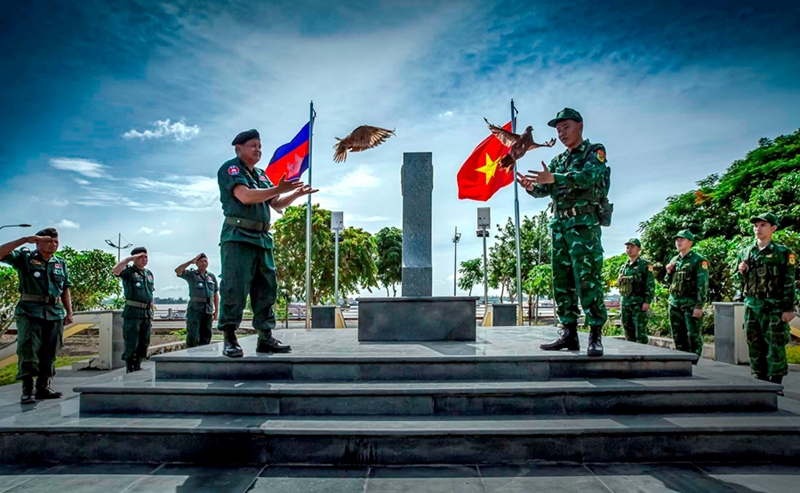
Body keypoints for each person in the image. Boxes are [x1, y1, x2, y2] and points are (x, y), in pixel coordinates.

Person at [516, 108, 612, 357]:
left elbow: (588, 177)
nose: (561, 133)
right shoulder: (558, 160)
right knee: (562, 281)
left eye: (566, 127)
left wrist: (554, 178)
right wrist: (531, 187)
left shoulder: (594, 152)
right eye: (558, 130)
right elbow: (545, 189)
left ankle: (595, 334)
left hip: (583, 226)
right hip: (559, 226)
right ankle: (568, 333)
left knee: (588, 279)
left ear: (580, 126)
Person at [216, 128, 317, 357]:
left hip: (262, 238)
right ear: (238, 148)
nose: (258, 150)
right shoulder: (231, 168)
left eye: (260, 146)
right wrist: (278, 188)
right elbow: (245, 196)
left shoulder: (261, 175)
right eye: (253, 146)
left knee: (266, 289)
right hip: (239, 236)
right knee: (235, 287)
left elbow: (276, 203)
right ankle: (230, 337)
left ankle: (265, 337)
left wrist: (294, 194)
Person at [0, 228, 73, 404]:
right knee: (29, 350)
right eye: (48, 241)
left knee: (50, 352)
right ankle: (27, 390)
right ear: (37, 242)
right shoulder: (25, 258)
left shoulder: (60, 263)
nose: (53, 244)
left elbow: (65, 288)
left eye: (56, 241)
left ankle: (43, 387)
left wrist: (69, 311)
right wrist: (24, 239)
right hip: (30, 311)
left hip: (54, 312)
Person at [734, 213, 797, 391]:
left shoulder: (783, 253)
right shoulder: (746, 252)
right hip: (752, 305)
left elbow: (789, 282)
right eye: (756, 225)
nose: (758, 229)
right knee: (754, 342)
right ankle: (760, 381)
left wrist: (788, 308)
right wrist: (740, 271)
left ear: (773, 228)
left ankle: (775, 383)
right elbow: (738, 281)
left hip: (773, 306)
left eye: (763, 225)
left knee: (775, 343)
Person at [663, 230, 708, 361]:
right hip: (675, 302)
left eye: (682, 239)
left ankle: (694, 361)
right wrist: (668, 272)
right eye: (677, 240)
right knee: (678, 335)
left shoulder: (698, 260)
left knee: (693, 335)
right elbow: (668, 282)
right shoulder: (674, 260)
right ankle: (681, 361)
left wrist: (699, 306)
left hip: (690, 303)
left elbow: (702, 284)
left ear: (690, 242)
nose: (678, 242)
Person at [112, 247, 154, 373]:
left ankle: (138, 364)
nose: (144, 259)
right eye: (141, 257)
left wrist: (152, 311)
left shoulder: (148, 274)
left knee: (144, 341)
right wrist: (129, 259)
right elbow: (115, 270)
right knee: (132, 341)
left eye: (146, 257)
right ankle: (130, 366)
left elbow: (150, 294)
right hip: (133, 313)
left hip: (146, 313)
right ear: (134, 258)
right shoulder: (128, 272)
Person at [175, 253, 219, 348]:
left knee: (206, 335)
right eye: (201, 261)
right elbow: (178, 271)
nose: (204, 263)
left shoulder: (211, 276)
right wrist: (190, 262)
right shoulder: (192, 274)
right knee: (193, 334)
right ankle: (191, 354)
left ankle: (204, 354)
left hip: (208, 309)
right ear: (197, 263)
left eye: (205, 261)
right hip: (195, 309)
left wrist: (216, 311)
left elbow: (215, 295)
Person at [617, 238, 655, 344]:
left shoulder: (645, 265)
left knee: (640, 332)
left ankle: (642, 353)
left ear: (639, 249)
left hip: (638, 303)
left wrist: (647, 301)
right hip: (625, 303)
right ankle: (630, 352)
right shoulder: (624, 266)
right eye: (627, 247)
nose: (629, 249)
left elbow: (650, 284)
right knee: (628, 332)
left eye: (632, 247)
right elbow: (620, 285)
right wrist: (619, 280)